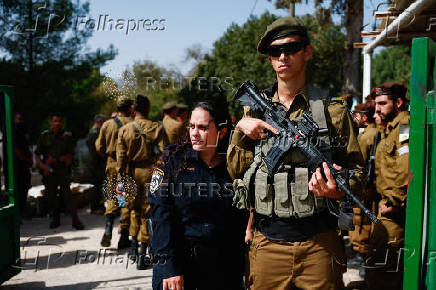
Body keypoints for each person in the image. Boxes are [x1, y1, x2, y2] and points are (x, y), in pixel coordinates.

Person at [228, 17, 365, 289]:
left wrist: (336, 190)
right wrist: (240, 130)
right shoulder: (252, 111)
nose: (282, 56)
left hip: (319, 245)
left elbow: (358, 174)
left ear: (308, 52)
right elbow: (235, 170)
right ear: (269, 59)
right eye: (275, 51)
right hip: (267, 245)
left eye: (291, 48)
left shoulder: (333, 113)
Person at [149, 101, 245, 290]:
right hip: (179, 266)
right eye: (191, 126)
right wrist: (168, 267)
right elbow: (160, 216)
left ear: (222, 132)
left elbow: (241, 218)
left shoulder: (234, 165)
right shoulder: (172, 161)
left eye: (202, 128)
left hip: (223, 268)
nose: (194, 132)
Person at [365, 82, 409, 290]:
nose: (377, 109)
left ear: (398, 102)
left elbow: (405, 164)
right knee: (378, 263)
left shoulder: (404, 127)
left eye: (382, 103)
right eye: (376, 105)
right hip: (384, 204)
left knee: (385, 267)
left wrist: (395, 199)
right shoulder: (389, 129)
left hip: (393, 209)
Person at [116, 94, 168, 270]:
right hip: (150, 172)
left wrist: (121, 179)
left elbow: (121, 158)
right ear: (147, 108)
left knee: (132, 209)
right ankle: (143, 252)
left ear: (133, 109)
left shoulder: (124, 129)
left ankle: (133, 249)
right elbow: (164, 153)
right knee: (148, 211)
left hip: (130, 173)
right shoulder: (156, 127)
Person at [347, 97, 384, 277]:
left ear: (364, 118)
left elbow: (358, 160)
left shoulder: (367, 136)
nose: (354, 118)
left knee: (361, 220)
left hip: (366, 186)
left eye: (356, 115)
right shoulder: (374, 132)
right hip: (373, 186)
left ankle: (363, 256)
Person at [95, 96, 133, 248]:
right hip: (128, 166)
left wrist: (110, 156)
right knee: (124, 198)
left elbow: (99, 147)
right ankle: (124, 236)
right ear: (130, 108)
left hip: (111, 164)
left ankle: (109, 226)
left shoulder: (107, 124)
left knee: (112, 196)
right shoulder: (134, 124)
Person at [35, 113, 84, 229]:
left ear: (62, 123)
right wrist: (43, 166)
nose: (57, 123)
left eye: (59, 121)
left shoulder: (67, 136)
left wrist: (59, 159)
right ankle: (55, 219)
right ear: (50, 123)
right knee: (51, 196)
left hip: (62, 170)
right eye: (54, 121)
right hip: (49, 171)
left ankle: (75, 220)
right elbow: (37, 154)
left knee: (68, 195)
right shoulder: (44, 136)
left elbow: (70, 155)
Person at [14, 112, 33, 219]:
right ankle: (18, 214)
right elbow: (17, 152)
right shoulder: (13, 133)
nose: (21, 121)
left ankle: (20, 213)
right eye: (18, 119)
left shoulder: (21, 132)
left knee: (24, 188)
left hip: (24, 166)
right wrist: (27, 160)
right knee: (19, 190)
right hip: (18, 167)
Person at [87, 114, 106, 214]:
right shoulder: (95, 133)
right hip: (96, 163)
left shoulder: (92, 132)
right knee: (97, 186)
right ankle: (95, 207)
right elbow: (97, 150)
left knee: (98, 185)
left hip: (95, 163)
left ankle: (97, 205)